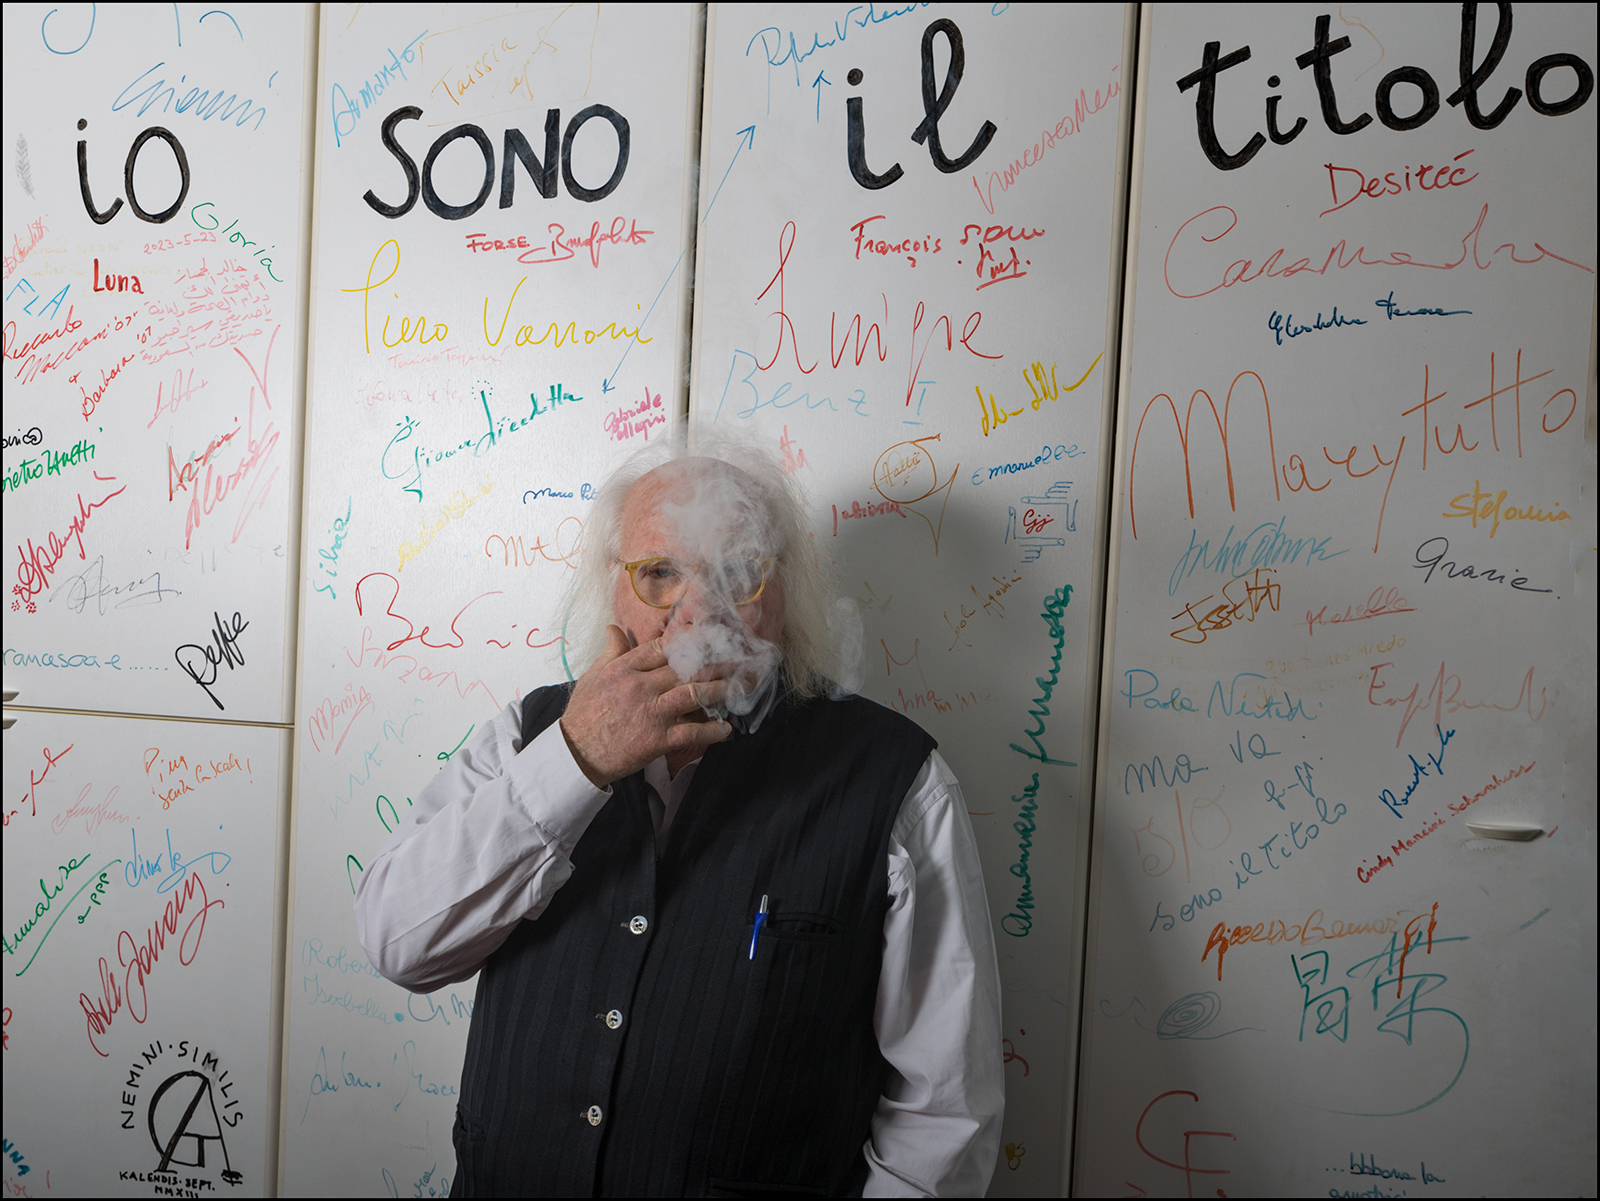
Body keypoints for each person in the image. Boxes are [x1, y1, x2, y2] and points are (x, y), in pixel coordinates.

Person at [354, 436, 1003, 1197]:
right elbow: (400, 944)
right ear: (615, 588)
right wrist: (577, 759)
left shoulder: (896, 782)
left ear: (785, 591)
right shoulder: (526, 736)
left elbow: (944, 1116)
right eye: (659, 573)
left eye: (737, 573)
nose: (697, 616)